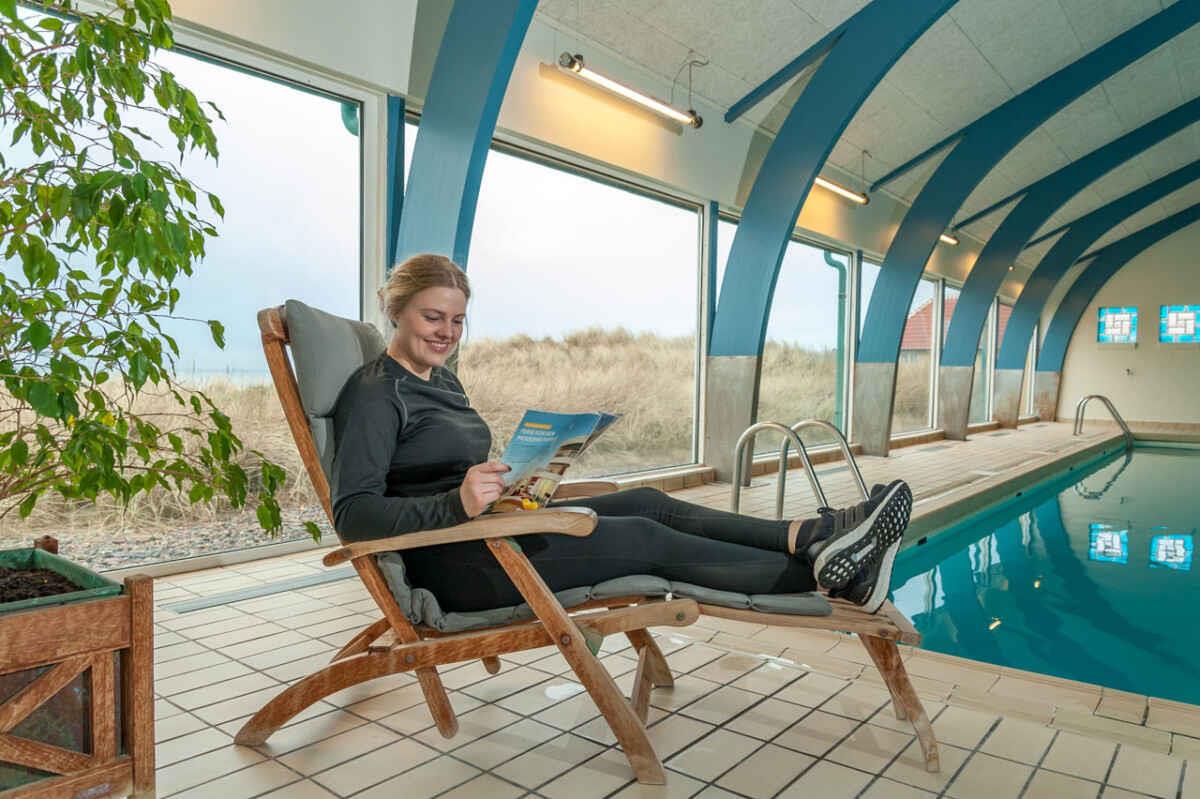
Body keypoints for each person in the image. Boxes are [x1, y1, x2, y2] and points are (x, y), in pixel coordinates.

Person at [331, 254, 912, 615]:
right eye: (433, 317)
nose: (447, 332)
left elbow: (440, 469)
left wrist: (522, 476)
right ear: (397, 311)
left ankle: (813, 534)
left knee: (648, 501)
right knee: (640, 537)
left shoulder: (442, 381)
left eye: (458, 320)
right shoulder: (376, 393)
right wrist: (457, 502)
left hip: (489, 531)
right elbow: (354, 515)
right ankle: (831, 575)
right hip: (458, 566)